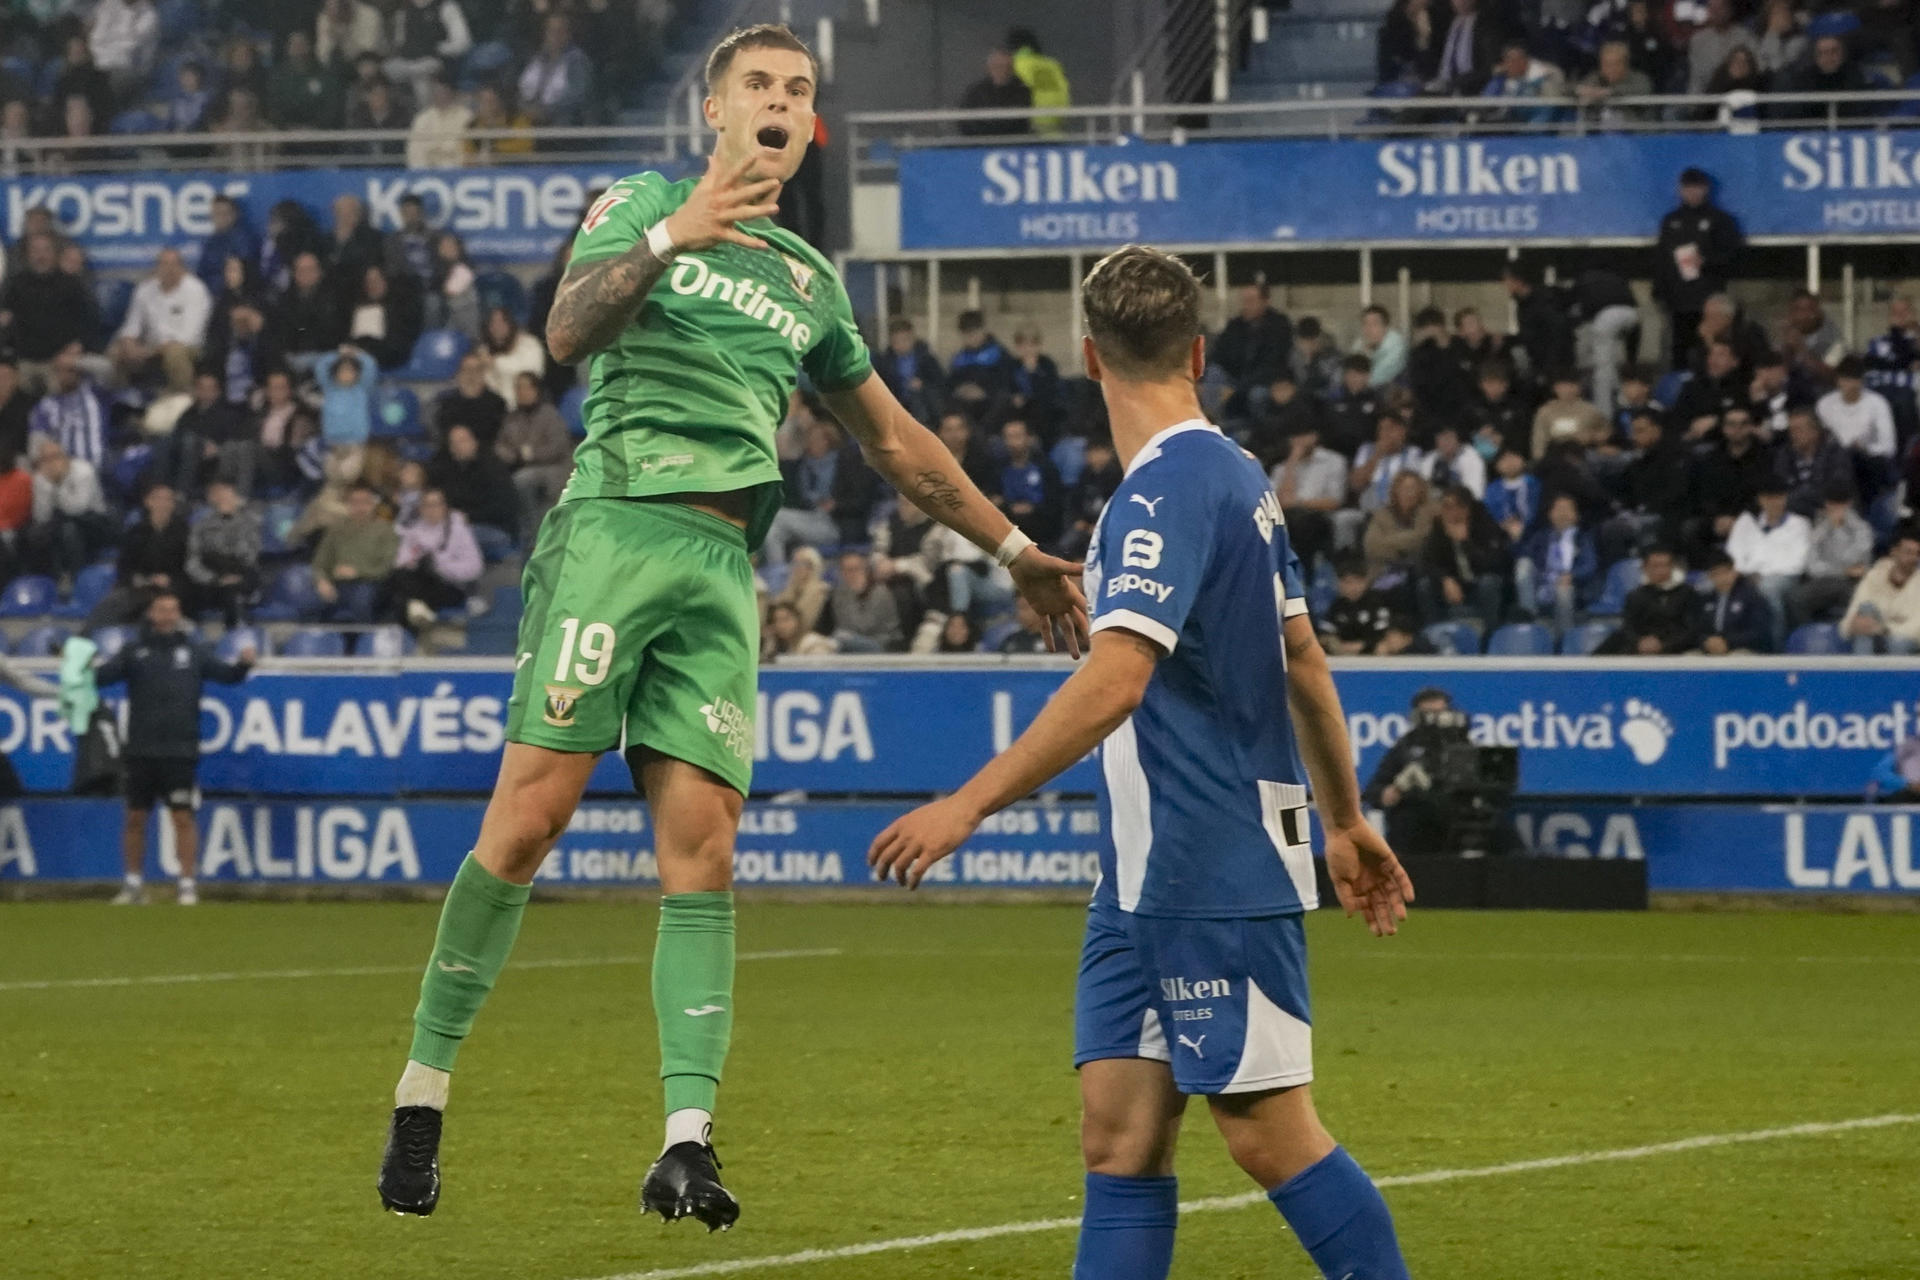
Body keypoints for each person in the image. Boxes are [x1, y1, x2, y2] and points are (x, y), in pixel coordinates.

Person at [374, 22, 1087, 1228]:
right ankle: (422, 1090)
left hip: (718, 565)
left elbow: (898, 443)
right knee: (529, 820)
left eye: (797, 91)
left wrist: (1014, 551)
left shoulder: (808, 279)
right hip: (613, 529)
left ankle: (687, 1140)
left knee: (704, 849)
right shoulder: (640, 203)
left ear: (810, 127)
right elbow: (566, 333)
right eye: (756, 83)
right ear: (715, 111)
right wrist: (668, 236)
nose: (777, 101)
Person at [870, 243, 1411, 1280]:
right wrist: (1343, 819)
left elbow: (1116, 676)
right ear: (1199, 350)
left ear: (1087, 356)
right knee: (1118, 1139)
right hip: (1141, 878)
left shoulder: (1166, 492)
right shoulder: (1242, 477)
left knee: (1267, 1132)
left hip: (1211, 859)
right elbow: (1301, 653)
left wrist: (969, 803)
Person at [96, 590, 254, 906]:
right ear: (152, 614)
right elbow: (100, 677)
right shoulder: (134, 651)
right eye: (162, 610)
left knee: (182, 818)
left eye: (173, 610)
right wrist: (75, 665)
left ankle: (186, 885)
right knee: (135, 818)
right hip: (140, 749)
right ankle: (133, 884)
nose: (168, 616)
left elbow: (228, 676)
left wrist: (243, 665)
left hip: (180, 751)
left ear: (179, 614)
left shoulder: (195, 652)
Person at [1653, 169, 1744, 368]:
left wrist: (1707, 261)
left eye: (1697, 188)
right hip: (1678, 301)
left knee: (1710, 349)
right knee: (1679, 352)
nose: (1692, 193)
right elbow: (1662, 258)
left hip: (1709, 301)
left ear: (1706, 189)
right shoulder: (1670, 221)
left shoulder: (1720, 220)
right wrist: (1659, 291)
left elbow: (1733, 254)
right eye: (1688, 188)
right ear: (1680, 190)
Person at [110, 249, 212, 394]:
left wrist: (150, 351)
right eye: (164, 264)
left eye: (174, 265)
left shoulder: (196, 290)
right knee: (117, 351)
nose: (169, 270)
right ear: (157, 267)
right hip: (150, 348)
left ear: (182, 268)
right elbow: (131, 326)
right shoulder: (145, 289)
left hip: (186, 349)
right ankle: (121, 403)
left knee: (174, 354)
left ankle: (184, 402)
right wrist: (129, 343)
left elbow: (189, 337)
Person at [2, 233, 96, 379]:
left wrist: (79, 344)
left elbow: (90, 320)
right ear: (27, 255)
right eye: (36, 251)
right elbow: (5, 317)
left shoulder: (71, 285)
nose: (41, 256)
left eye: (46, 250)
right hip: (22, 361)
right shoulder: (16, 285)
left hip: (62, 360)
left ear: (55, 253)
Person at [496, 371, 574, 542]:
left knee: (522, 479)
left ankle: (534, 527)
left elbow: (558, 447)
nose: (521, 392)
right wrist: (513, 455)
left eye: (526, 387)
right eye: (518, 388)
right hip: (521, 468)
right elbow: (501, 445)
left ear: (536, 390)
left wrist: (529, 455)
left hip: (554, 468)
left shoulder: (549, 414)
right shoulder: (512, 417)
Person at [389, 486, 482, 628]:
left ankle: (414, 629)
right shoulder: (413, 531)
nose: (431, 510)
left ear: (445, 507)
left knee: (404, 599)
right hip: (418, 580)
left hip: (448, 584)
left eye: (436, 505)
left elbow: (474, 567)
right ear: (420, 508)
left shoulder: (459, 530)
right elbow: (400, 561)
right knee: (399, 582)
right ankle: (416, 626)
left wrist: (439, 565)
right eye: (427, 505)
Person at [1421, 485, 1510, 630]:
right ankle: (1432, 636)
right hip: (1455, 587)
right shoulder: (1439, 526)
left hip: (1480, 584)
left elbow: (1494, 564)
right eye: (1445, 507)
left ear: (1466, 508)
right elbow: (1427, 562)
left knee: (1488, 583)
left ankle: (1490, 636)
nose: (1449, 513)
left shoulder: (1485, 524)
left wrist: (1466, 543)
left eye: (1453, 507)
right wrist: (1445, 579)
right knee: (1424, 586)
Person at [1785, 481, 1870, 631]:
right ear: (1826, 504)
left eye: (1841, 504)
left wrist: (1838, 529)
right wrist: (1843, 570)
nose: (1836, 509)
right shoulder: (1819, 528)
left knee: (1861, 601)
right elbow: (1812, 566)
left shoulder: (1862, 529)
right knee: (1795, 598)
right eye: (1832, 504)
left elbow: (1856, 561)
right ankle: (1808, 640)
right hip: (1824, 582)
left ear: (1849, 504)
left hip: (1852, 583)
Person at [428, 422, 519, 557]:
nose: (457, 446)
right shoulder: (448, 468)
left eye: (462, 441)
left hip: (495, 528)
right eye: (453, 443)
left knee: (449, 536)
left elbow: (503, 508)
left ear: (474, 442)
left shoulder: (492, 468)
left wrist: (469, 517)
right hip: (456, 524)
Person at [312, 481, 398, 622]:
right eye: (355, 502)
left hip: (370, 584)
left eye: (365, 502)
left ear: (373, 504)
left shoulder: (386, 530)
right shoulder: (336, 529)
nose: (360, 507)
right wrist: (322, 580)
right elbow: (319, 562)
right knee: (309, 594)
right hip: (336, 583)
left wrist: (357, 572)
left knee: (362, 598)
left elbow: (387, 567)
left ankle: (362, 639)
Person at [1270, 425, 1347, 577]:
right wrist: (1292, 462)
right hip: (1289, 518)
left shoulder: (1333, 461)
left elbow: (1334, 501)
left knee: (1303, 522)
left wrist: (1299, 503)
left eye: (1303, 436)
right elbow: (1279, 502)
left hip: (1320, 516)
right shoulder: (1281, 468)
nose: (1299, 442)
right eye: (1295, 437)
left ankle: (1308, 574)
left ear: (1314, 436)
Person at [28, 442, 108, 586]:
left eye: (55, 457)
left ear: (65, 457)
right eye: (45, 459)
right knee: (35, 534)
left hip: (93, 521)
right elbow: (42, 516)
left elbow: (78, 508)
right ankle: (47, 582)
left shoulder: (84, 471)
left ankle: (77, 581)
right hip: (59, 522)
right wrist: (48, 485)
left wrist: (57, 484)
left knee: (69, 530)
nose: (51, 463)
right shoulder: (41, 478)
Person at [1516, 492, 1597, 633]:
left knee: (1564, 591)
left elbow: (1590, 565)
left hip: (1569, 587)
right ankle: (1529, 623)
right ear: (1550, 514)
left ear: (1576, 515)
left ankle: (1563, 639)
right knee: (1523, 564)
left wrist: (1572, 575)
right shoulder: (1541, 537)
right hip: (1542, 584)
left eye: (1567, 509)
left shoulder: (1582, 538)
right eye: (1558, 509)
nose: (1563, 514)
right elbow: (1523, 554)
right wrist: (1517, 538)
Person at [185, 478, 262, 627]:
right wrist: (214, 579)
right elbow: (192, 561)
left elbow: (249, 556)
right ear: (210, 498)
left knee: (232, 590)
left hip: (241, 573)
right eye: (218, 493)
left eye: (227, 492)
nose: (223, 497)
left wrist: (231, 521)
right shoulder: (201, 526)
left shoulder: (250, 522)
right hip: (211, 576)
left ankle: (236, 632)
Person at [1210, 284, 1293, 421]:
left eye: (1251, 301)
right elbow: (1219, 353)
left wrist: (1237, 389)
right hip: (1236, 376)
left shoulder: (1279, 325)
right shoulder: (1235, 325)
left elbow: (1272, 364)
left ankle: (1259, 432)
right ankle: (1214, 421)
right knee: (1213, 374)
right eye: (1244, 301)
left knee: (1257, 395)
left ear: (1264, 301)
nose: (1246, 305)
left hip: (1266, 380)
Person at [1597, 545, 1700, 653]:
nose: (1661, 570)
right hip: (1639, 651)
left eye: (1665, 565)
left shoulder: (1688, 594)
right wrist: (1640, 642)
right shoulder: (1635, 596)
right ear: (1645, 568)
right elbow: (1629, 628)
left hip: (1677, 651)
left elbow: (1691, 630)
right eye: (1655, 566)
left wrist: (1664, 646)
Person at [1839, 526, 1920, 654]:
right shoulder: (1874, 576)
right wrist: (1852, 626)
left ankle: (1865, 669)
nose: (1914, 559)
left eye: (1917, 554)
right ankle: (1864, 669)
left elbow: (1916, 628)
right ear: (1894, 552)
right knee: (1866, 609)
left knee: (1897, 643)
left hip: (1904, 640)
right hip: (1873, 636)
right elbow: (1853, 613)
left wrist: (1883, 629)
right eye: (1908, 552)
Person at [814, 547, 901, 653]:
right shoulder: (839, 594)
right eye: (846, 570)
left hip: (882, 642)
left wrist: (853, 593)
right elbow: (845, 624)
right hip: (848, 642)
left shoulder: (880, 592)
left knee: (839, 637)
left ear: (864, 569)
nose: (851, 574)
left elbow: (864, 626)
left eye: (855, 569)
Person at [517, 13, 593, 127]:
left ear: (568, 34)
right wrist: (526, 108)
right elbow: (519, 90)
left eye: (560, 31)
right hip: (529, 121)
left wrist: (546, 112)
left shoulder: (577, 61)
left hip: (561, 125)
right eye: (551, 31)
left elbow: (577, 96)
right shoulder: (535, 58)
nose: (555, 35)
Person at [997, 417, 1062, 547]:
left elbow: (1055, 502)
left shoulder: (1046, 467)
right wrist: (1009, 506)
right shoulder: (998, 468)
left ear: (1029, 438)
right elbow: (995, 497)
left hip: (1041, 527)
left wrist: (1033, 508)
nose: (1013, 442)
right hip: (1008, 526)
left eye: (1017, 436)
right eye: (1009, 437)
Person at [1696, 550, 1773, 654]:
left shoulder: (1751, 596)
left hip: (1743, 648)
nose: (1722, 578)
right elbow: (1698, 629)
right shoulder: (1706, 599)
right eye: (1716, 574)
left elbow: (1759, 631)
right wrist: (1706, 642)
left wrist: (1728, 642)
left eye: (1725, 572)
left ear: (1734, 572)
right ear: (1710, 577)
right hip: (1710, 650)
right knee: (1688, 660)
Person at [1319, 556, 1397, 655]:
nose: (1352, 587)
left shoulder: (1377, 604)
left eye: (1357, 582)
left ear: (1365, 582)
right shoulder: (1336, 606)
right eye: (1347, 582)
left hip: (1370, 653)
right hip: (1341, 655)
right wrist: (1335, 643)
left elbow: (1382, 634)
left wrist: (1361, 646)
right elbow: (1325, 633)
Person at [875, 318, 944, 425]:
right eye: (896, 342)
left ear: (913, 338)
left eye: (905, 340)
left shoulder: (926, 359)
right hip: (896, 401)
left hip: (923, 402)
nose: (901, 345)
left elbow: (940, 382)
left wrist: (923, 385)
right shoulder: (885, 362)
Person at [434, 351, 508, 448]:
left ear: (483, 373)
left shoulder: (497, 403)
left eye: (476, 370)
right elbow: (443, 436)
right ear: (459, 374)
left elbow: (499, 438)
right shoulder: (446, 403)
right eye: (467, 370)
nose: (471, 375)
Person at [1575, 39, 1653, 126]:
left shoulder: (1639, 79)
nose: (1611, 69)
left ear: (1625, 64)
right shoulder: (1594, 78)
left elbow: (1642, 91)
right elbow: (1569, 88)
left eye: (1616, 64)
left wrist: (1608, 92)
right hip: (1597, 135)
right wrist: (1580, 90)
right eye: (1606, 64)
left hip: (1633, 134)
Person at [1006, 28, 1069, 134]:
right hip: (1056, 129)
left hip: (1031, 131)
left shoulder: (1020, 64)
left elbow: (1015, 94)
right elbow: (1064, 92)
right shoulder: (1052, 64)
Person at [958, 46, 1032, 135]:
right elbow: (965, 120)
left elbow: (1020, 121)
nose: (1001, 70)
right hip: (981, 143)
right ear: (989, 68)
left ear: (1012, 69)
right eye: (997, 66)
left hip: (1013, 143)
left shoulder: (1022, 90)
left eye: (1006, 67)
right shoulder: (976, 91)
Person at [1432, 0, 1501, 94]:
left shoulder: (1485, 25)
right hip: (1443, 84)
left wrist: (1458, 82)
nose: (1461, 2)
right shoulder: (1448, 23)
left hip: (1471, 86)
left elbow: (1489, 68)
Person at [479, 306, 545, 402]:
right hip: (497, 408)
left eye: (502, 322)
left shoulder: (530, 344)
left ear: (510, 323)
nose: (497, 327)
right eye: (492, 323)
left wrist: (495, 363)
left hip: (527, 407)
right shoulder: (483, 352)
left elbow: (531, 373)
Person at [407, 73, 472, 168]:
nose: (440, 95)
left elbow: (466, 150)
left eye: (444, 91)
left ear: (452, 93)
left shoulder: (466, 116)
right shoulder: (422, 118)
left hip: (458, 171)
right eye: (437, 92)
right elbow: (414, 151)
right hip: (426, 172)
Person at [1352, 305, 1406, 387]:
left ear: (1386, 327)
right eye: (1365, 323)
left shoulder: (1397, 344)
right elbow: (1349, 371)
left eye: (1374, 324)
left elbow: (1378, 378)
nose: (1368, 329)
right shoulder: (1360, 342)